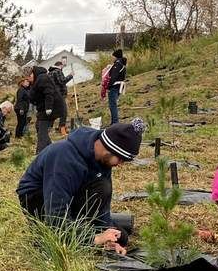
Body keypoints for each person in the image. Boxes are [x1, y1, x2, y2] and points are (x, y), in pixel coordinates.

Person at [16, 118, 147, 254]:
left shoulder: (103, 161)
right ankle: (53, 233)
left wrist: (109, 238)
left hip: (70, 196)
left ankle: (79, 226)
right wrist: (94, 239)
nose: (120, 164)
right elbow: (56, 216)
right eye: (120, 159)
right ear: (110, 148)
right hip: (38, 198)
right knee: (54, 241)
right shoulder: (64, 157)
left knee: (121, 236)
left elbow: (102, 208)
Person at [24, 65, 64, 154]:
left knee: (42, 130)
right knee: (38, 126)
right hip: (43, 109)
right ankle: (51, 149)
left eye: (27, 78)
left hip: (51, 108)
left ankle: (40, 153)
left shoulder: (43, 78)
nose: (27, 81)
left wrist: (48, 107)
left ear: (31, 75)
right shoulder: (35, 81)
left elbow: (49, 92)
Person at [48, 60, 73, 136]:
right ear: (60, 65)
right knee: (63, 112)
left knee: (53, 112)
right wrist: (70, 75)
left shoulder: (50, 73)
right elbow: (62, 81)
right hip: (59, 95)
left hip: (53, 95)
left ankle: (49, 128)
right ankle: (62, 129)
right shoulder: (57, 71)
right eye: (62, 66)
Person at [104, 49, 127, 125]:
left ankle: (115, 122)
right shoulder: (122, 64)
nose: (112, 58)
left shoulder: (117, 65)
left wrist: (108, 87)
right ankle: (114, 121)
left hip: (114, 87)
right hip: (119, 86)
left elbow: (113, 77)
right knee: (114, 104)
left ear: (116, 57)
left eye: (113, 56)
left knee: (112, 105)